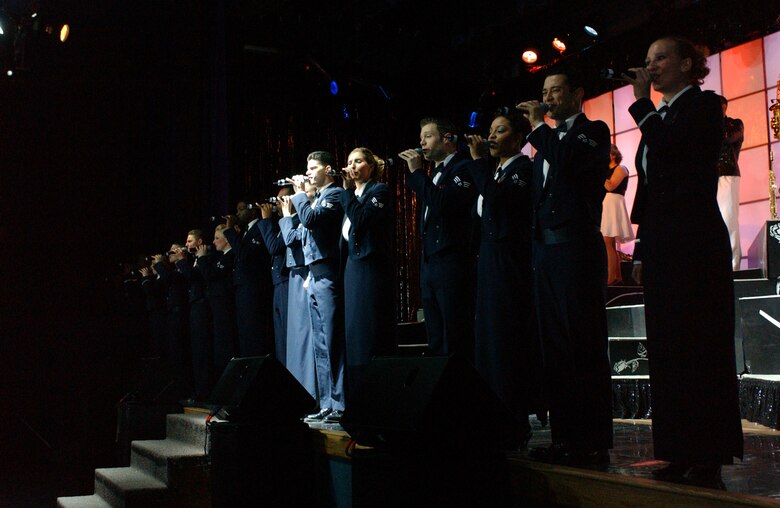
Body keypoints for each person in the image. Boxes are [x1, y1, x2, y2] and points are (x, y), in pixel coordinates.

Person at [625, 36, 743, 488]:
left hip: (695, 242)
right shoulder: (662, 116)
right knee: (667, 346)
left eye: (661, 58)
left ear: (688, 64)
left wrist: (641, 107)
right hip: (662, 242)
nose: (651, 67)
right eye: (648, 59)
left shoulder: (705, 106)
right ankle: (675, 447)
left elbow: (673, 152)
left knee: (699, 346)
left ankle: (708, 451)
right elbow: (650, 190)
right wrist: (641, 247)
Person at [517, 68, 613, 466]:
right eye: (544, 92)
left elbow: (570, 165)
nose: (548, 98)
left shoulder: (593, 131)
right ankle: (564, 437)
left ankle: (592, 440)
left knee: (583, 343)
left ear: (577, 93)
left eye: (556, 91)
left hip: (577, 248)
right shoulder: (546, 142)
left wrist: (540, 126)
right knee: (554, 346)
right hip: (546, 252)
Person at [465, 110, 544, 448]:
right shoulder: (495, 171)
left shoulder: (523, 169)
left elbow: (498, 204)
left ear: (519, 137)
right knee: (488, 339)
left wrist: (479, 164)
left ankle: (514, 418)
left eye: (500, 131)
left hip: (511, 263)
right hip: (489, 262)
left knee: (507, 339)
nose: (492, 137)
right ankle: (493, 415)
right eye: (490, 131)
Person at [398, 118, 478, 356]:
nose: (421, 142)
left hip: (452, 261)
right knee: (435, 336)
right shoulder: (435, 174)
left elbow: (443, 204)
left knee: (455, 335)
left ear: (448, 138)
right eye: (421, 137)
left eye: (428, 136)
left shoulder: (463, 167)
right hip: (431, 263)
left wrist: (417, 172)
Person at [289, 151, 346, 424]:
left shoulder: (334, 194)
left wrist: (300, 195)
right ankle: (326, 403)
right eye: (307, 167)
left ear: (327, 169)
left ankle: (341, 402)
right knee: (320, 343)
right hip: (314, 272)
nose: (308, 172)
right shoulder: (316, 199)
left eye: (313, 167)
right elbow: (301, 233)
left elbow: (311, 221)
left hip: (327, 271)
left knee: (332, 339)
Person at [340, 147, 395, 402]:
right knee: (354, 335)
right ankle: (358, 399)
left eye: (358, 161)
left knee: (370, 333)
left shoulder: (378, 191)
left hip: (372, 268)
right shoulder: (352, 196)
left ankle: (378, 397)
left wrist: (347, 192)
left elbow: (361, 221)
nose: (352, 166)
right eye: (350, 162)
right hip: (353, 269)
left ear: (371, 166)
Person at [279, 185, 317, 400]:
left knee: (305, 336)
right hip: (296, 275)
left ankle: (308, 393)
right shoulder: (300, 215)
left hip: (306, 274)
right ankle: (297, 392)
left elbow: (291, 239)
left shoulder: (312, 211)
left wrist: (286, 215)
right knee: (296, 337)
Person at [223, 201, 272, 357]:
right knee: (244, 331)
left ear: (252, 210)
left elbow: (245, 255)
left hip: (253, 286)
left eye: (241, 209)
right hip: (242, 287)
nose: (237, 213)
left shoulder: (259, 228)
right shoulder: (245, 231)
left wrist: (230, 230)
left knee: (253, 330)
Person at [171, 230, 213, 402]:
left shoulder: (205, 257)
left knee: (202, 351)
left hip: (203, 308)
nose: (186, 245)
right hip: (194, 307)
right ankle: (199, 390)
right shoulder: (194, 260)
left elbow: (195, 277)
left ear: (199, 242)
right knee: (196, 352)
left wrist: (181, 261)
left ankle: (204, 391)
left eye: (189, 241)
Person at [194, 224, 237, 382]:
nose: (213, 242)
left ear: (227, 240)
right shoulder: (220, 257)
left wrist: (202, 258)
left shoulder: (230, 255)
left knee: (225, 345)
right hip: (216, 306)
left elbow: (211, 275)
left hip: (224, 306)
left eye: (217, 238)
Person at [258, 187, 295, 366]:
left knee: (288, 335)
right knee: (280, 337)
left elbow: (274, 246)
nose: (277, 205)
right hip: (278, 282)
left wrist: (265, 221)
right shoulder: (281, 224)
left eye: (282, 199)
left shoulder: (292, 222)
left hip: (287, 282)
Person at [716, 95, 744, 271]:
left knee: (729, 218)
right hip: (709, 177)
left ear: (724, 106)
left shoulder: (734, 123)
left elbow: (727, 136)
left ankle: (734, 266)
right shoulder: (707, 126)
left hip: (727, 175)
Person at [601, 144, 635, 285]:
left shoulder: (621, 168)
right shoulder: (605, 171)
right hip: (606, 204)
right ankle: (617, 276)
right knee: (609, 243)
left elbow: (610, 185)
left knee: (608, 242)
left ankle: (611, 277)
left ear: (613, 155)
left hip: (613, 203)